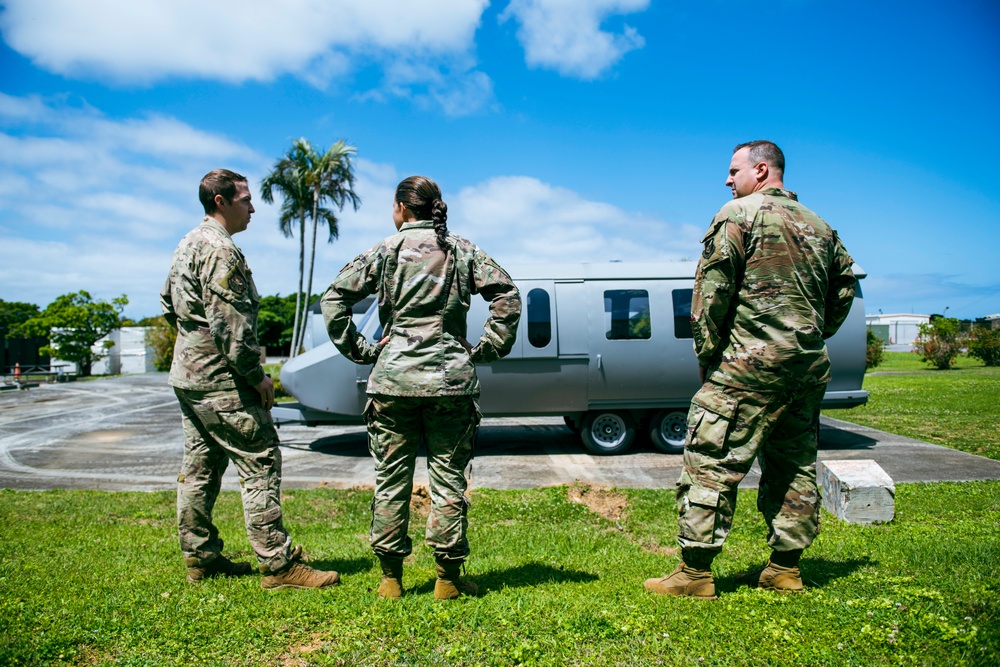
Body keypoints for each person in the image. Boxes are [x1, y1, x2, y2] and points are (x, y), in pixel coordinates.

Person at [644, 141, 856, 599]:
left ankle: (694, 574)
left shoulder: (738, 214)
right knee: (793, 465)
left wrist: (708, 356)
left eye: (733, 170)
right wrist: (809, 335)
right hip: (804, 369)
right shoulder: (821, 226)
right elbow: (843, 293)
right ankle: (785, 568)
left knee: (710, 462)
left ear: (761, 170)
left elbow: (712, 294)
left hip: (746, 368)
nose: (727, 179)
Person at [321, 175, 521, 599]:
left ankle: (391, 579)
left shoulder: (385, 250)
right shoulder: (461, 249)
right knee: (448, 479)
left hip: (392, 383)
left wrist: (362, 349)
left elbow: (333, 299)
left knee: (390, 479)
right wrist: (484, 350)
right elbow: (506, 295)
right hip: (450, 381)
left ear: (401, 208)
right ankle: (447, 579)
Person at [161, 169, 340, 590]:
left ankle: (200, 557)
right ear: (220, 202)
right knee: (260, 462)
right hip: (223, 379)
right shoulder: (220, 251)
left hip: (189, 376)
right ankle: (278, 565)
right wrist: (256, 375)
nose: (253, 207)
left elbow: (169, 305)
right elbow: (232, 327)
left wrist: (195, 347)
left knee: (200, 467)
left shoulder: (186, 244)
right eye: (245, 199)